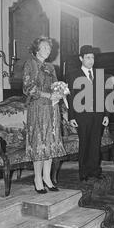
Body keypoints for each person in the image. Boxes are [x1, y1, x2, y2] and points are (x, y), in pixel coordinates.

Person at [23, 37, 67, 194]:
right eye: (45, 47)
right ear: (37, 49)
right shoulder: (31, 63)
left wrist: (60, 92)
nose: (48, 50)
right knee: (40, 143)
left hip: (52, 109)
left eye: (49, 48)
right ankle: (37, 179)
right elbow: (28, 89)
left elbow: (55, 85)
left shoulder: (51, 66)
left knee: (50, 144)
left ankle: (47, 178)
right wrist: (48, 96)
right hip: (38, 109)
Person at [68, 45, 109, 182]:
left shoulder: (99, 74)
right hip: (82, 114)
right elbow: (71, 97)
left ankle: (95, 171)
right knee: (84, 142)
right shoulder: (73, 75)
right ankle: (84, 172)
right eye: (87, 57)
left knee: (95, 143)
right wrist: (71, 117)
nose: (91, 60)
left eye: (92, 57)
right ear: (81, 58)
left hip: (97, 114)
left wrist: (106, 115)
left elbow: (105, 96)